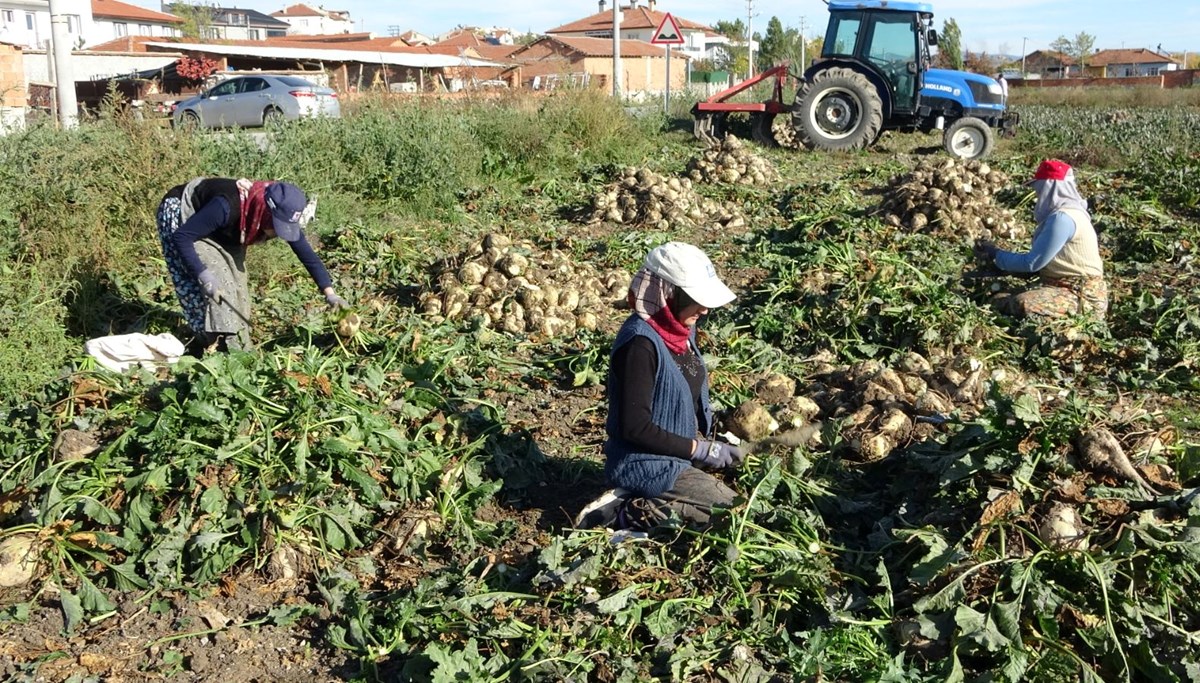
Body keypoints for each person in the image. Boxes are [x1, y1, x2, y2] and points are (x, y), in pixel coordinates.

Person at [579, 242, 742, 530]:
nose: (704, 309)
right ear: (668, 293)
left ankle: (654, 499)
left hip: (678, 452)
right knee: (732, 517)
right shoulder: (639, 345)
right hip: (645, 461)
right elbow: (634, 428)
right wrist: (700, 450)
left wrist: (712, 440)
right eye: (695, 298)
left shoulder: (680, 327)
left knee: (741, 502)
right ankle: (628, 510)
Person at [156, 177, 348, 352]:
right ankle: (215, 348)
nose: (278, 234)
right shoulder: (227, 207)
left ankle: (239, 346)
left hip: (226, 229)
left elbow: (308, 256)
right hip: (185, 218)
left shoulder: (273, 213)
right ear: (265, 212)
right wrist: (203, 274)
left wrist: (331, 295)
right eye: (277, 227)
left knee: (238, 288)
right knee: (216, 286)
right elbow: (182, 237)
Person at [974, 159, 1107, 321]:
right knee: (998, 294)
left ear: (1050, 188)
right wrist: (1005, 268)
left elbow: (1033, 263)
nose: (1038, 196)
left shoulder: (1063, 218)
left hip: (1081, 295)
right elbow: (1044, 261)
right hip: (1059, 286)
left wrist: (996, 255)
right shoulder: (1069, 214)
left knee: (1020, 302)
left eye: (1039, 190)